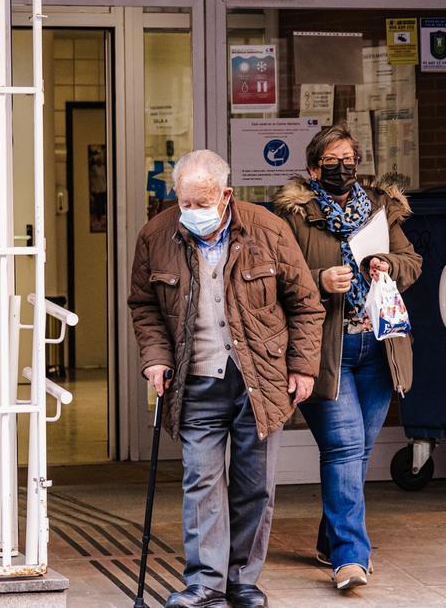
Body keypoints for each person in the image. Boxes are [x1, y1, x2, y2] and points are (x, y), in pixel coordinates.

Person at [128, 150, 325, 608]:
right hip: (195, 379)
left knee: (255, 485)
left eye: (202, 203)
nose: (192, 213)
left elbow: (306, 304)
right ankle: (205, 584)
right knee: (201, 482)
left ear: (226, 195)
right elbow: (145, 306)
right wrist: (155, 358)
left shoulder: (268, 230)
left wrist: (302, 366)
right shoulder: (156, 235)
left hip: (259, 378)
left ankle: (242, 580)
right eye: (185, 203)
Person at [273, 124, 422, 591]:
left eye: (350, 159)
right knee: (343, 448)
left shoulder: (379, 207)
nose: (344, 168)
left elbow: (412, 262)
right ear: (315, 167)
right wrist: (319, 279)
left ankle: (330, 538)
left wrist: (388, 265)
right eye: (333, 161)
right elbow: (278, 276)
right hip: (325, 348)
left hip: (377, 346)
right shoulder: (295, 216)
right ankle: (350, 557)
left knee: (356, 452)